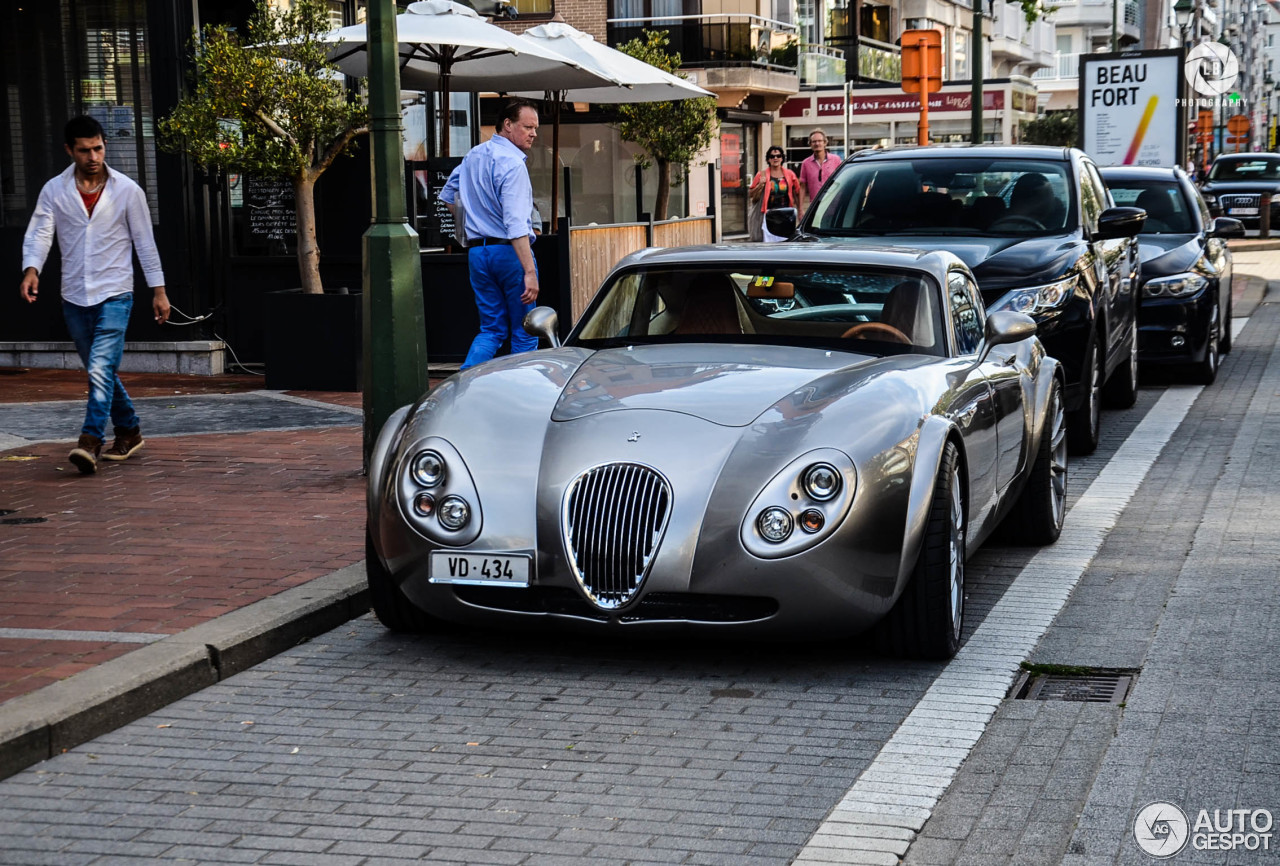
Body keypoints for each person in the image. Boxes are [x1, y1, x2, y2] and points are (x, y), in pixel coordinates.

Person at [20, 115, 170, 475]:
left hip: (116, 292)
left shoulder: (126, 190)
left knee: (101, 369)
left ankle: (89, 441)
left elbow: (145, 245)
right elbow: (40, 232)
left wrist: (159, 292)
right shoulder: (54, 190)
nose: (93, 156)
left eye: (98, 148)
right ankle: (129, 431)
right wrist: (31, 269)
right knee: (99, 371)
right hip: (74, 294)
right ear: (70, 150)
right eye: (85, 150)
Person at [440, 100, 541, 370]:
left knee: (491, 330)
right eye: (528, 127)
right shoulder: (513, 164)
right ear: (507, 125)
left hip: (477, 253)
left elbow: (448, 195)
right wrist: (529, 271)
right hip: (509, 254)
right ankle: (521, 391)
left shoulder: (474, 155)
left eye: (535, 128)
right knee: (525, 330)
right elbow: (517, 224)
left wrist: (470, 222)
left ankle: (462, 388)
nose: (534, 133)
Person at [749, 147, 800, 243]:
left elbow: (797, 192)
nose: (775, 158)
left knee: (786, 243)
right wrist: (760, 184)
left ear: (782, 158)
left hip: (785, 215)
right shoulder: (761, 175)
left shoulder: (790, 174)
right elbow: (751, 194)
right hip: (768, 215)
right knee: (769, 243)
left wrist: (799, 211)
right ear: (768, 159)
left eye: (778, 156)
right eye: (772, 156)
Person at [798, 129, 842, 211]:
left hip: (834, 205)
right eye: (814, 141)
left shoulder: (836, 160)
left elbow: (842, 182)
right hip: (815, 206)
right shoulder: (805, 163)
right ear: (810, 144)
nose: (817, 143)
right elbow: (802, 187)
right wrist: (800, 209)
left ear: (825, 143)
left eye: (819, 141)